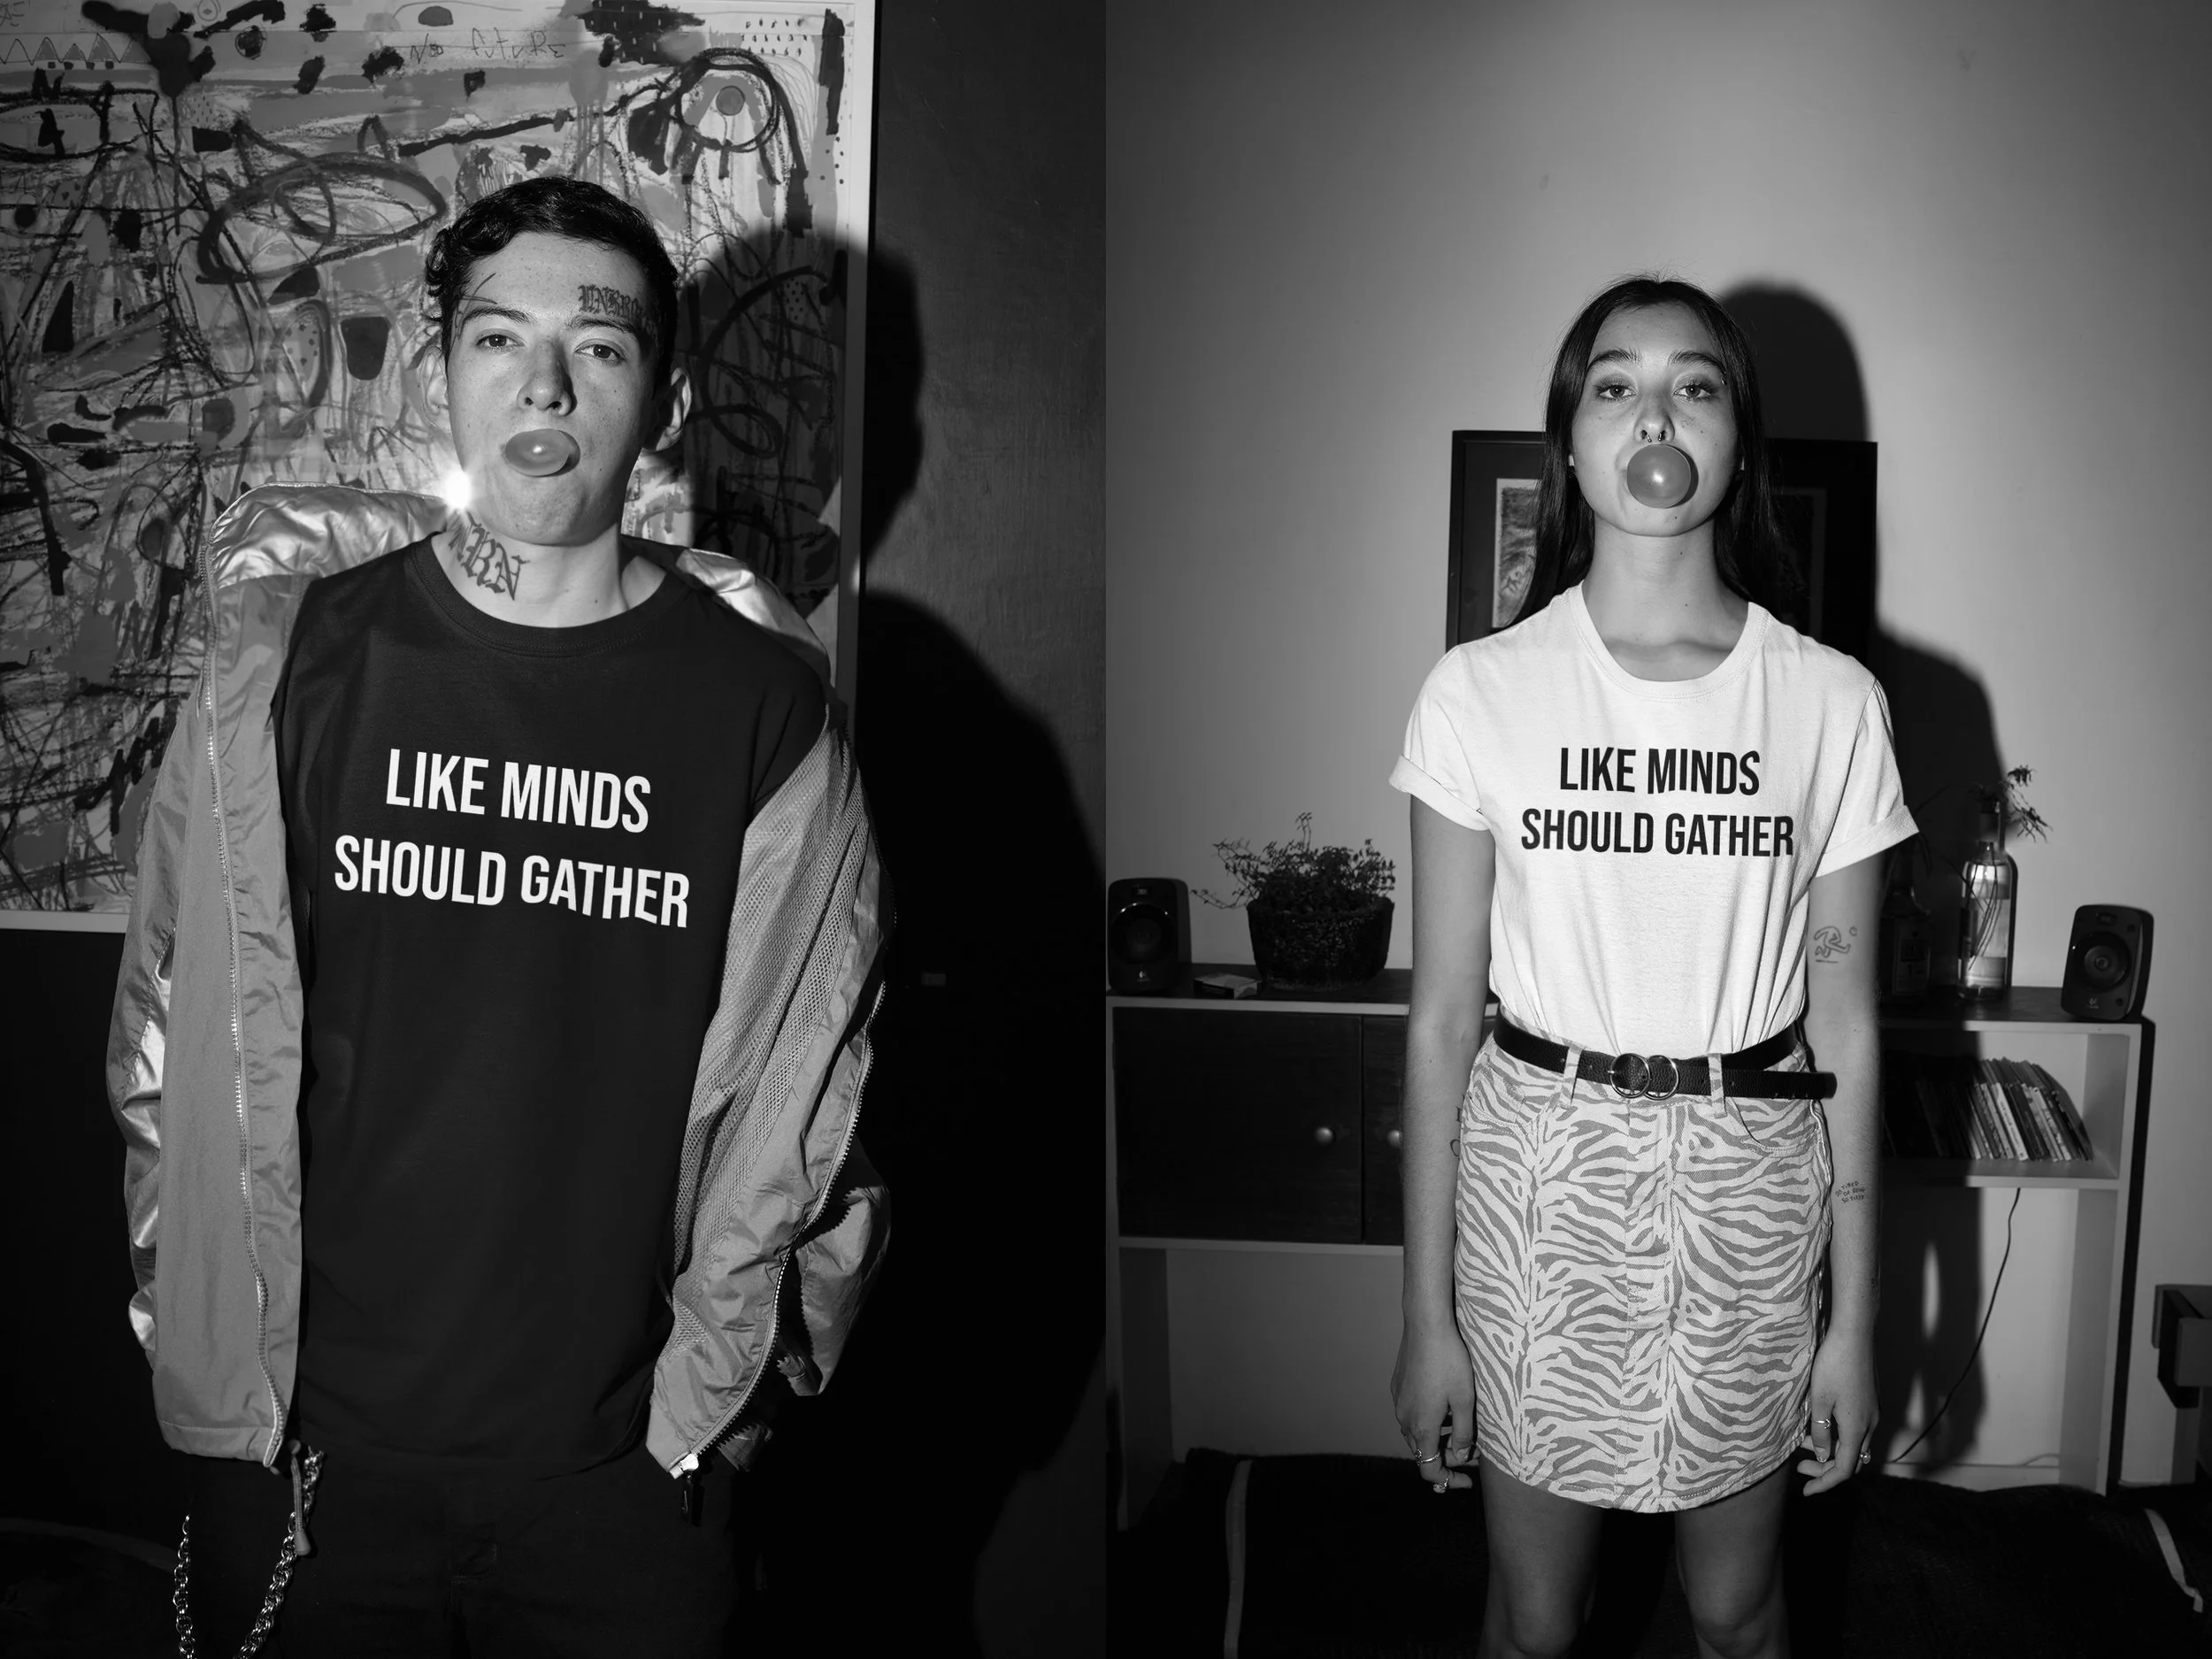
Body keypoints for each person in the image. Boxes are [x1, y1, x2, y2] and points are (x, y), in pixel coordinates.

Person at [105, 175, 890, 1655]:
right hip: (304, 1461)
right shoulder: (292, 674)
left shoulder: (765, 713)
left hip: (624, 1482)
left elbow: (820, 1113)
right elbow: (159, 1027)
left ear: (662, 397)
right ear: (438, 371)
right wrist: (197, 1340)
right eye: (495, 337)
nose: (543, 383)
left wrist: (722, 1407)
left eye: (597, 345)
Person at [1387, 275, 1915, 1659]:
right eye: (1614, 384)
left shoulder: (1831, 702)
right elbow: (1442, 1021)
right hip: (1539, 1186)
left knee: (1739, 1611)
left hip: (1752, 1191)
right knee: (1538, 1617)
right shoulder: (1478, 691)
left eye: (1697, 384)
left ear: (1738, 441)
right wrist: (1424, 1311)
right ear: (1569, 440)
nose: (1655, 414)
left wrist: (1857, 1322)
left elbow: (1849, 1030)